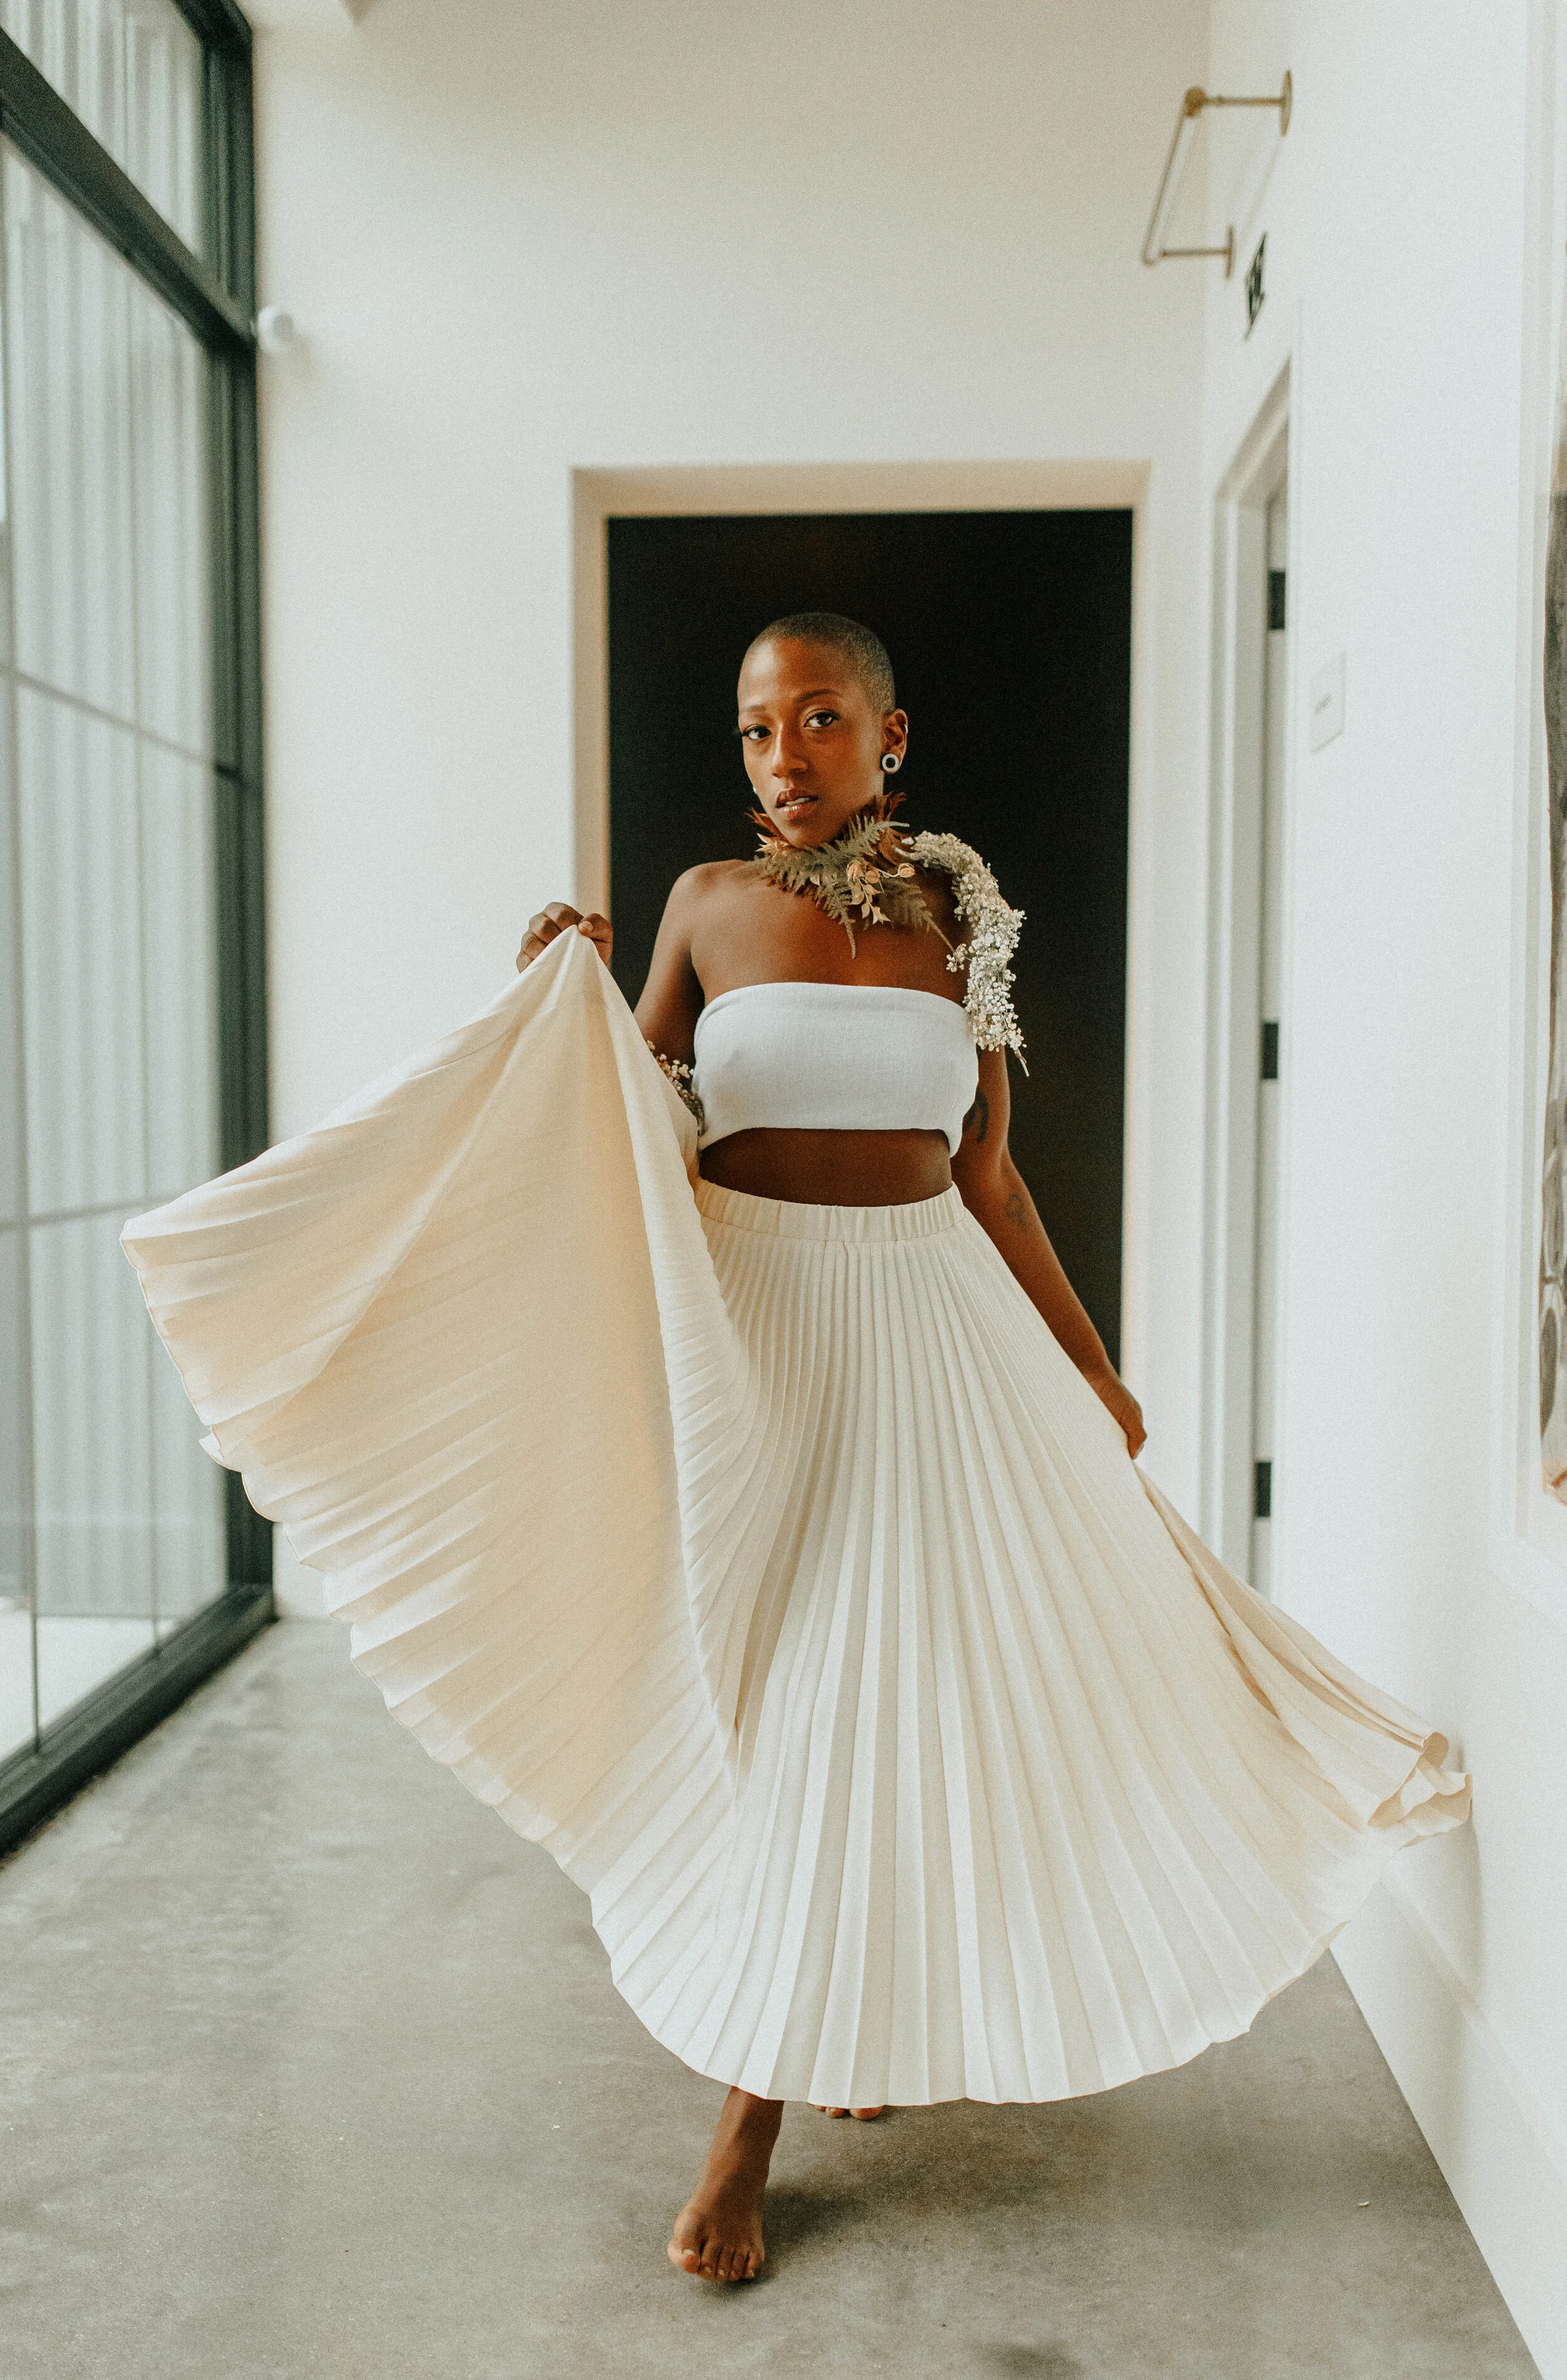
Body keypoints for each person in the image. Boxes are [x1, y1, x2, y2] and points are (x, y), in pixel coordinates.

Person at [122, 611, 1469, 2294]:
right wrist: (563, 997)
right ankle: (791, 2041)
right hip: (753, 1341)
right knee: (782, 1697)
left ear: (887, 739)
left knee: (893, 1690)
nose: (781, 757)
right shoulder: (701, 904)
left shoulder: (961, 914)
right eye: (756, 729)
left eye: (816, 720)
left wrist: (1090, 1361)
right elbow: (633, 1120)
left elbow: (984, 1173)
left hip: (928, 1336)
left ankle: (754, 2112)